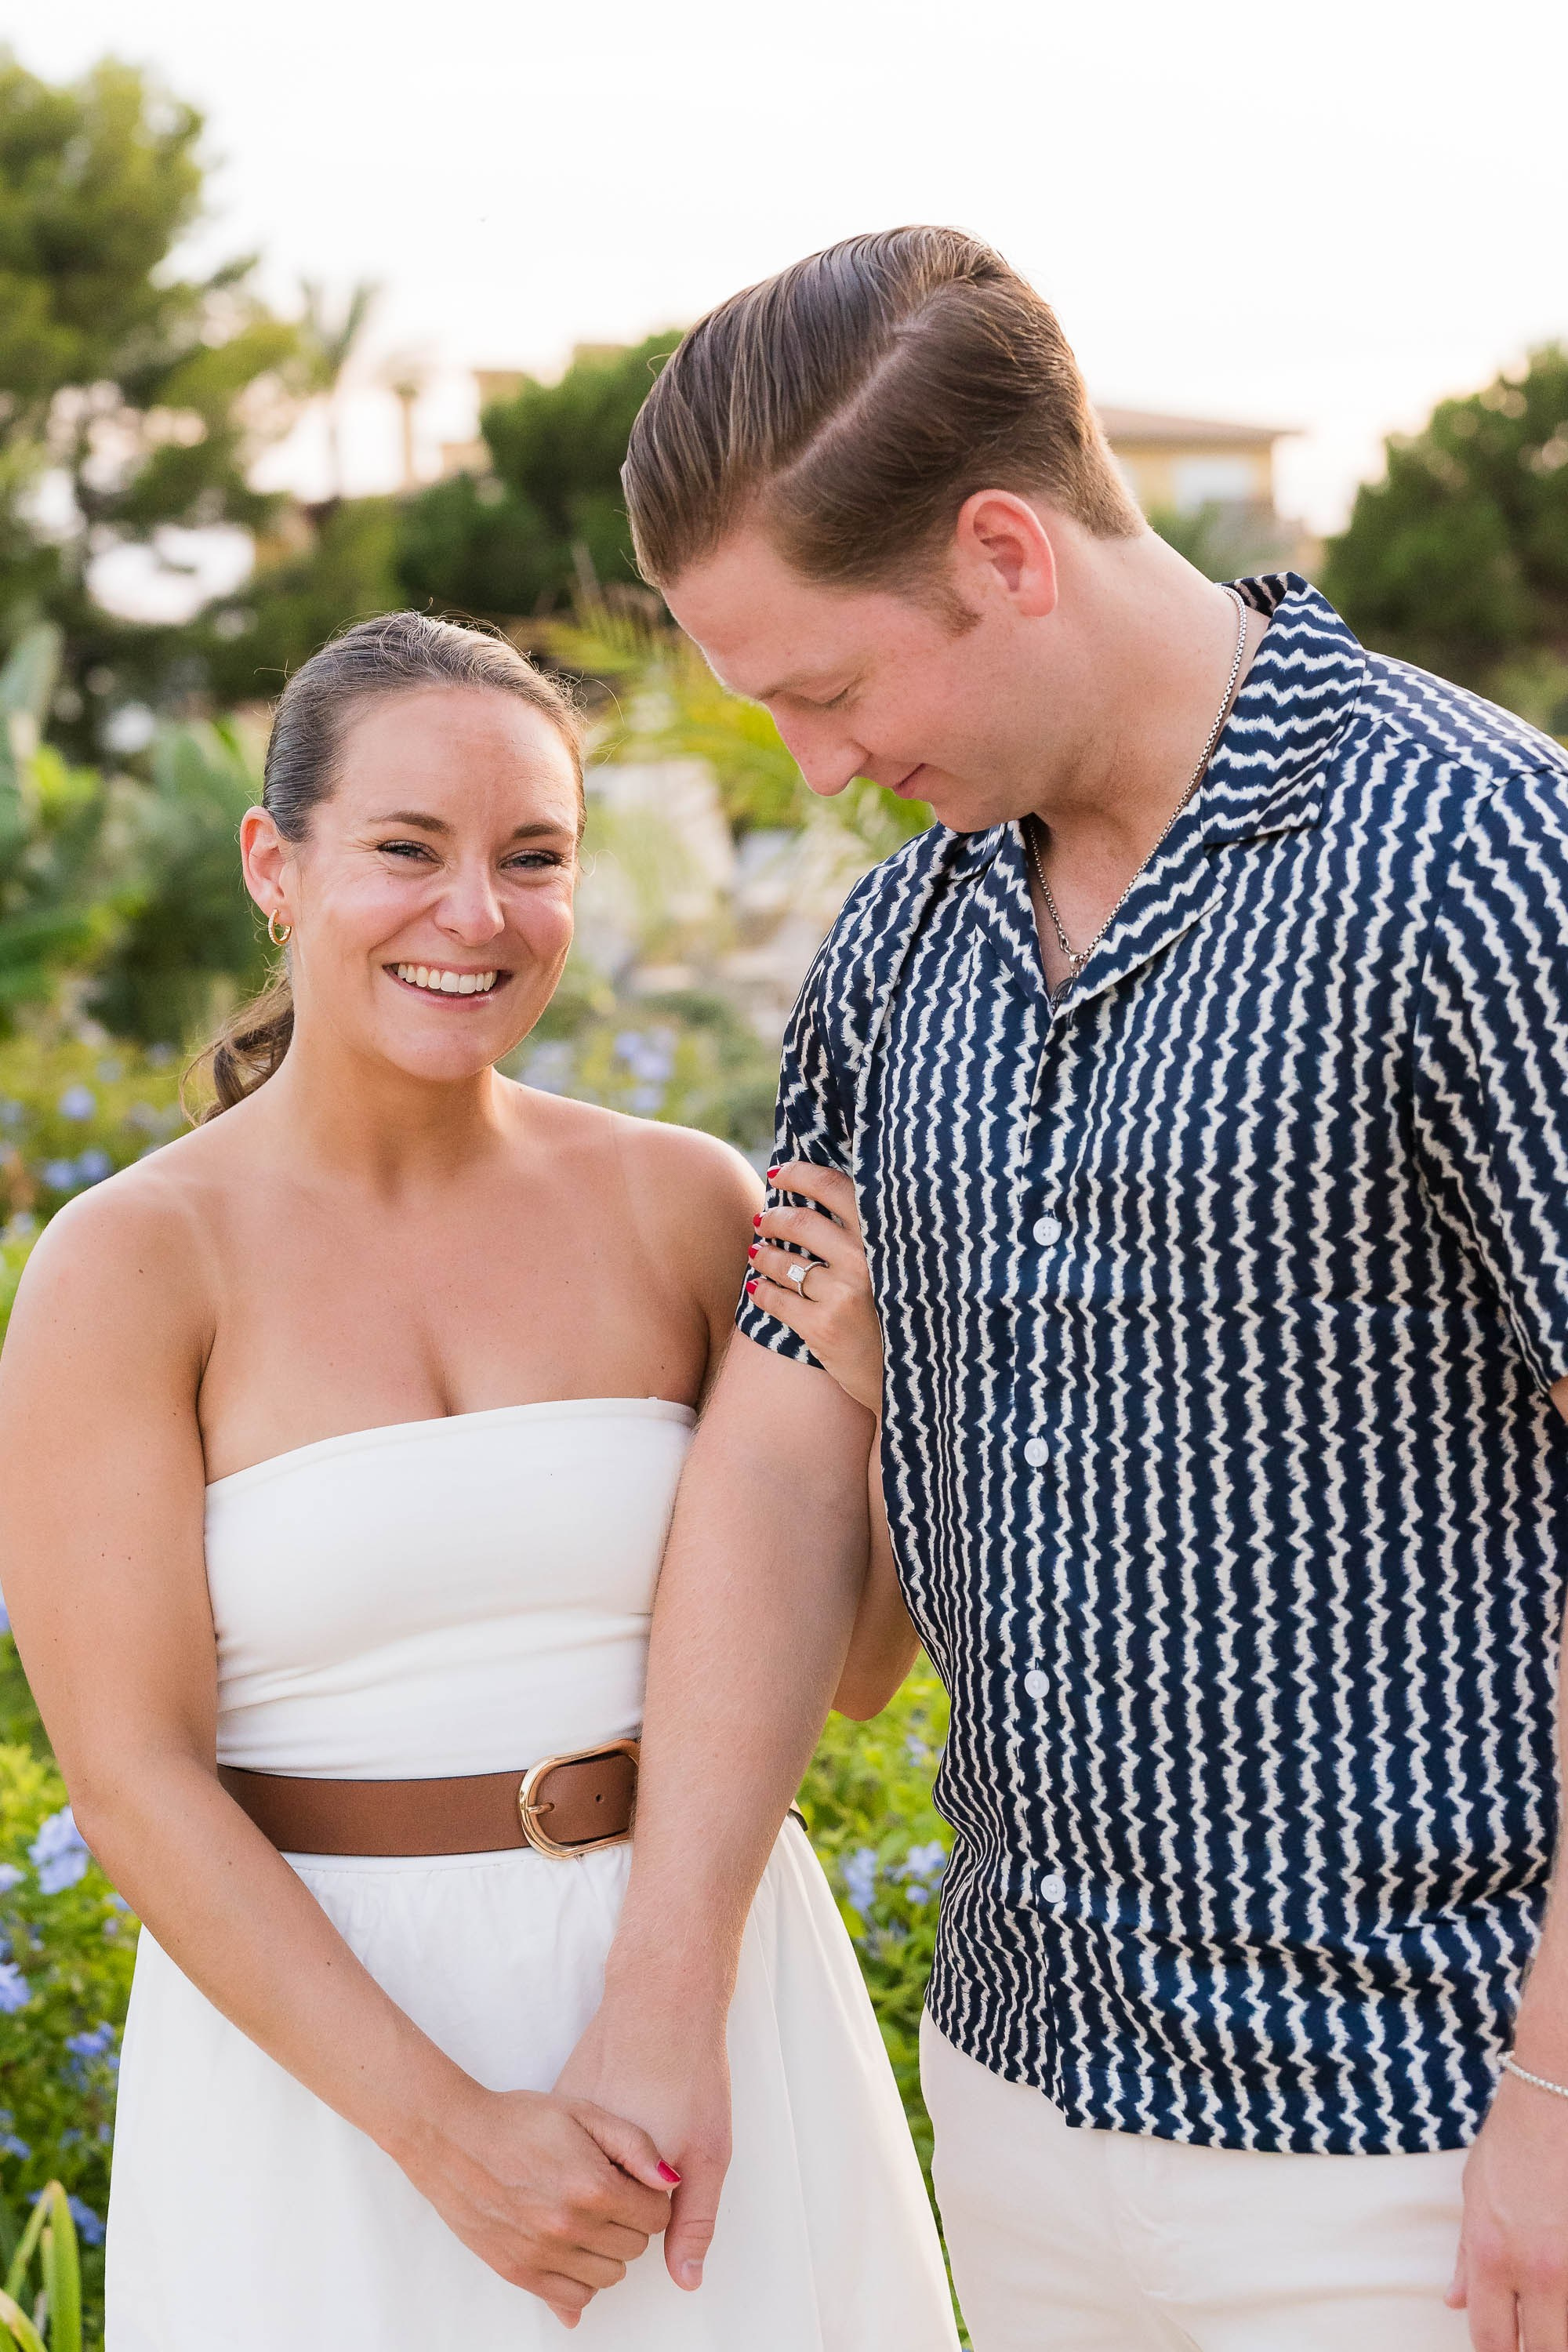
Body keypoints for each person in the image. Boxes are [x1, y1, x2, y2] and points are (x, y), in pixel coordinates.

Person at [556, 227, 1568, 2351]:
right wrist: (659, 2019)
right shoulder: (894, 953)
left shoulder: (1479, 856)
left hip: (1426, 2137)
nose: (818, 769)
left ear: (1007, 550)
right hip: (1018, 2106)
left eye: (826, 691)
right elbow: (776, 1473)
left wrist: (1558, 2097)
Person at [0, 612, 958, 2352]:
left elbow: (854, 1671)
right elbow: (129, 1782)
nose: (478, 915)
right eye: (407, 851)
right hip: (321, 2070)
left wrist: (882, 1404)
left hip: (706, 2014)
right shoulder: (127, 1266)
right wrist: (449, 2142)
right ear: (274, 867)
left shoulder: (684, 1204)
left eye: (534, 857)